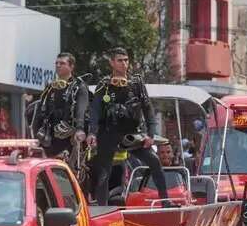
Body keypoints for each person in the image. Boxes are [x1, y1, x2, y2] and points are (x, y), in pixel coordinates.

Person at [87, 47, 173, 207]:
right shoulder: (104, 85)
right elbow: (95, 110)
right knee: (104, 172)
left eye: (126, 60)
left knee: (154, 161)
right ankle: (102, 209)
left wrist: (151, 135)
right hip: (109, 133)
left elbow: (148, 109)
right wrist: (92, 132)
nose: (124, 64)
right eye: (120, 60)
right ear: (112, 62)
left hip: (133, 133)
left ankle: (165, 201)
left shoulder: (137, 83)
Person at [32, 52, 89, 158]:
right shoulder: (50, 88)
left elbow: (81, 110)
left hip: (70, 139)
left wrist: (80, 129)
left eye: (62, 63)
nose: (58, 66)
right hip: (49, 138)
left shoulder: (79, 87)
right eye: (56, 63)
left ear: (71, 66)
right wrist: (36, 134)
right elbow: (40, 111)